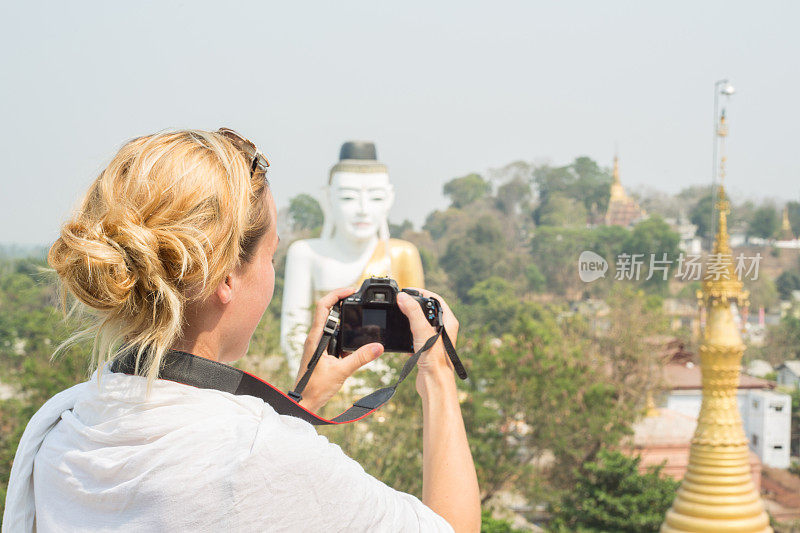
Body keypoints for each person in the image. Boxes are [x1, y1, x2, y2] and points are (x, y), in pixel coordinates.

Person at [2, 129, 481, 532]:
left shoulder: (62, 428)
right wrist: (436, 375)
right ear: (227, 277)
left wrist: (301, 405)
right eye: (270, 256)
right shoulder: (259, 458)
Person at [280, 141, 424, 377]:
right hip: (320, 374)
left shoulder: (402, 254)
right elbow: (292, 334)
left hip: (383, 381)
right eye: (348, 198)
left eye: (376, 198)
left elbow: (415, 334)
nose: (363, 210)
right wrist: (312, 378)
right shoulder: (305, 253)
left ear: (389, 199)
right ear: (328, 198)